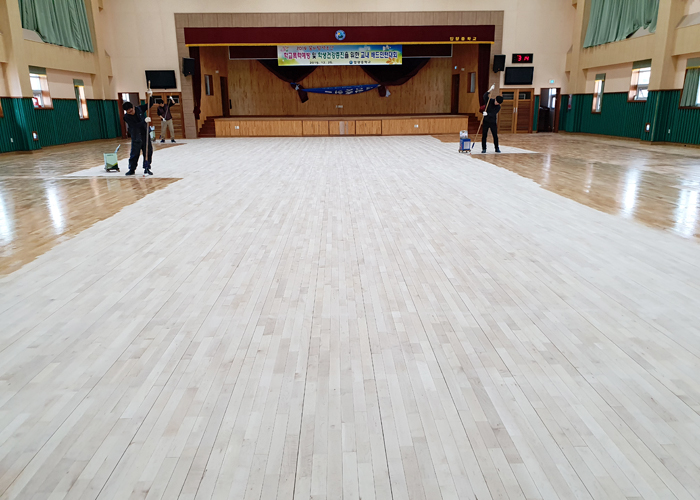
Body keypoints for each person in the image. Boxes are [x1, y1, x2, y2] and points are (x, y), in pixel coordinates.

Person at [122, 99, 153, 176]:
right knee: (134, 153)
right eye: (128, 111)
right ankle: (132, 169)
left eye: (131, 110)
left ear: (133, 107)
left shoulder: (139, 109)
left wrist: (151, 96)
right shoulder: (126, 117)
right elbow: (134, 126)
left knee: (148, 152)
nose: (131, 112)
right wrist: (144, 121)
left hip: (145, 134)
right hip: (136, 136)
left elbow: (149, 104)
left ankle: (147, 168)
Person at [481, 84, 503, 154]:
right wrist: (490, 90)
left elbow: (494, 113)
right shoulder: (489, 101)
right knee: (484, 135)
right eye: (497, 102)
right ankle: (484, 148)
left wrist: (487, 114)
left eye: (498, 103)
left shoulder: (498, 107)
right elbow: (484, 96)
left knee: (495, 135)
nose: (497, 104)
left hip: (493, 122)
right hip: (486, 121)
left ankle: (497, 148)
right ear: (495, 99)